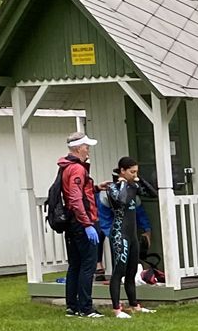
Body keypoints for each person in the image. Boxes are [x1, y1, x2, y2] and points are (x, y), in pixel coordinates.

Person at [99, 157, 154, 318]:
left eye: (136, 171)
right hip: (119, 233)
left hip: (132, 235)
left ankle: (134, 305)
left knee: (131, 271)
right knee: (119, 271)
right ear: (122, 171)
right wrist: (123, 182)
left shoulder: (133, 186)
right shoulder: (113, 187)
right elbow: (122, 200)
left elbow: (152, 193)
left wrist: (139, 180)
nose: (134, 175)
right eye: (132, 172)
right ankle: (116, 308)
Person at [57, 130, 103, 318]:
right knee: (88, 265)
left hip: (71, 223)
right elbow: (76, 198)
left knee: (75, 265)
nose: (88, 149)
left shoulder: (66, 167)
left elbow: (77, 192)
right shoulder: (77, 169)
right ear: (77, 148)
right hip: (81, 223)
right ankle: (85, 308)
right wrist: (87, 224)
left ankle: (72, 306)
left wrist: (97, 188)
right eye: (86, 146)